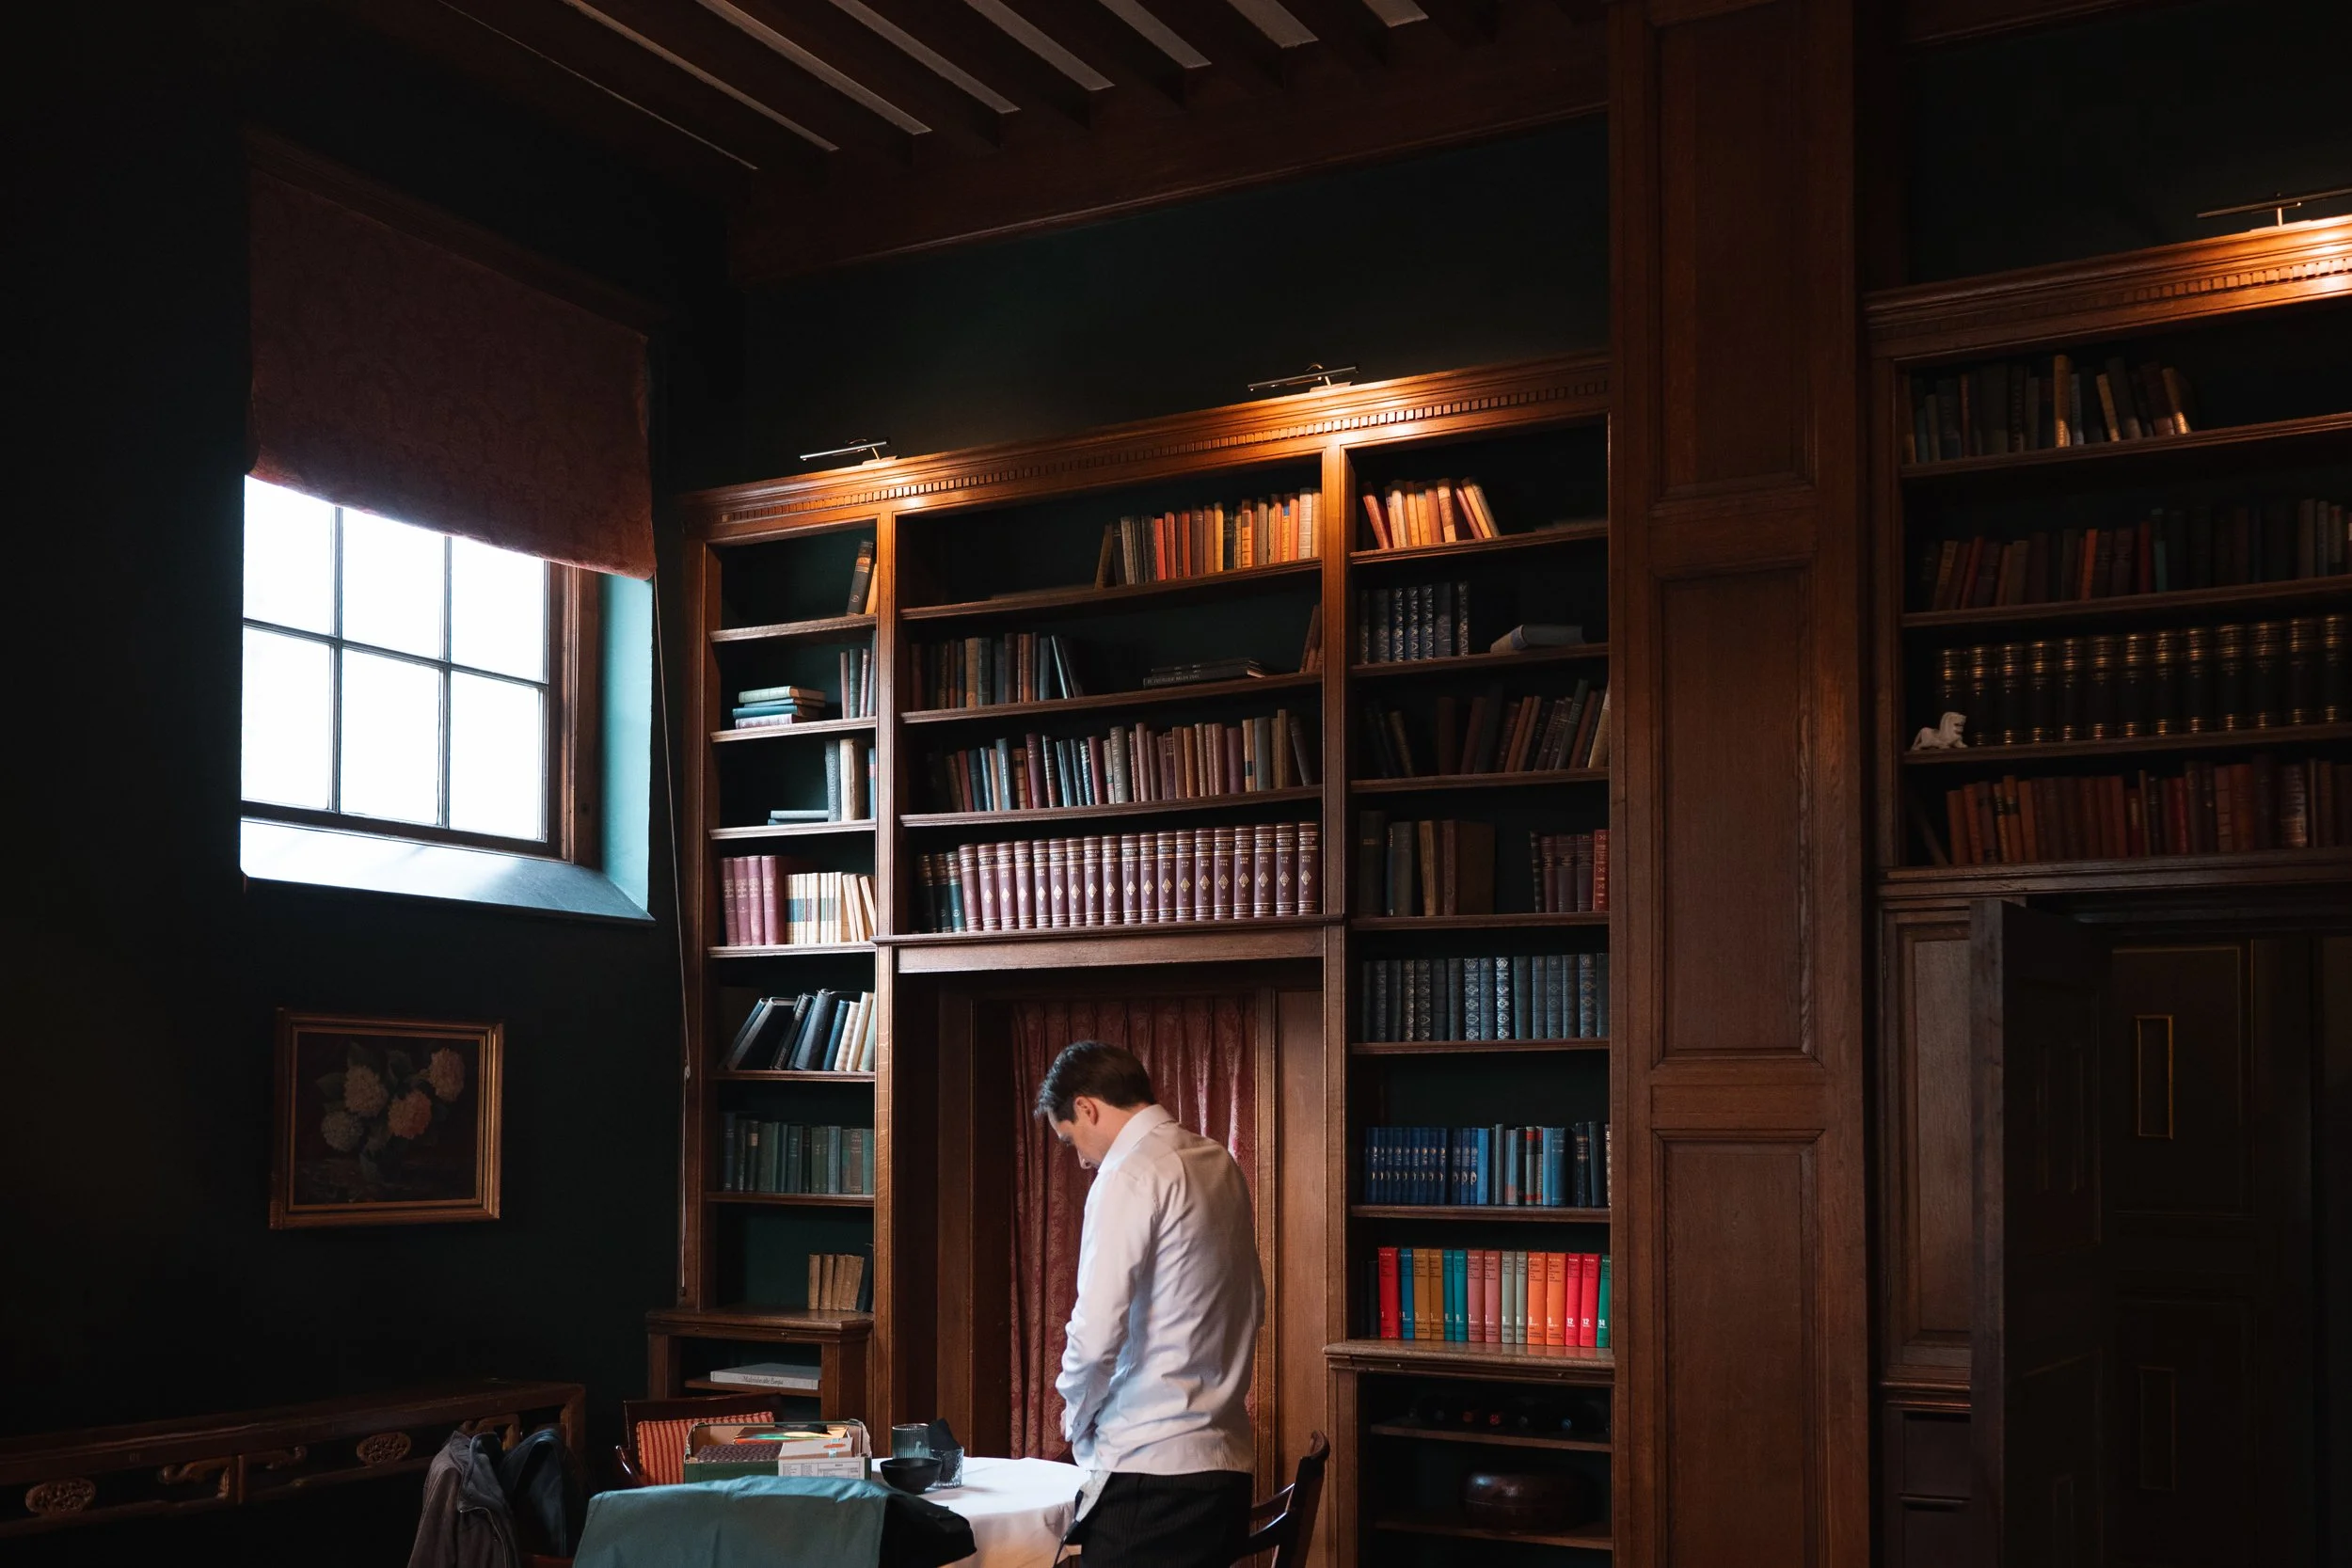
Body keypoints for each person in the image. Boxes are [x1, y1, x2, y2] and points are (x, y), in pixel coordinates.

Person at [1039, 1040, 1263, 1568]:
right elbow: (1252, 1301)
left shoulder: (1128, 1173)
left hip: (1152, 1474)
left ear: (1087, 1107)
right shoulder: (1218, 1162)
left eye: (1071, 1139)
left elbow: (1095, 1333)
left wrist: (1075, 1418)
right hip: (1225, 1468)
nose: (1082, 1160)